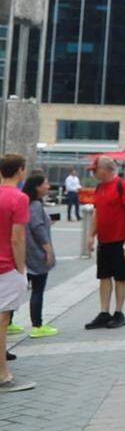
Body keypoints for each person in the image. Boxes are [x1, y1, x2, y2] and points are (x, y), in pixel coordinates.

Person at [85, 156, 125, 329]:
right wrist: (91, 235)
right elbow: (97, 212)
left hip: (121, 240)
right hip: (105, 240)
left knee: (121, 277)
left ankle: (119, 312)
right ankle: (104, 312)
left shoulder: (123, 186)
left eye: (95, 169)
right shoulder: (99, 187)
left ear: (106, 169)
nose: (93, 173)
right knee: (104, 276)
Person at [0, 153, 32, 392]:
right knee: (2, 321)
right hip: (7, 266)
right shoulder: (19, 198)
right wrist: (21, 269)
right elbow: (17, 238)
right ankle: (3, 374)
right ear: (20, 170)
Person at [21, 174, 56, 338]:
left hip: (24, 253)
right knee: (37, 290)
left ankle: (9, 322)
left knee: (17, 291)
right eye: (45, 184)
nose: (48, 186)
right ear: (37, 187)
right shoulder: (35, 205)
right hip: (36, 254)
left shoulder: (26, 203)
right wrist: (48, 250)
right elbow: (38, 228)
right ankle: (37, 325)